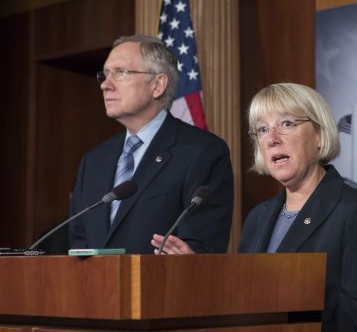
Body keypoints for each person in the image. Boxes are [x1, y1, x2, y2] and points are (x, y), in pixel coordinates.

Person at [239, 83, 357, 332]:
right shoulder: (257, 218)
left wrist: (288, 292)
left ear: (319, 136)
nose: (272, 138)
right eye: (262, 129)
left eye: (286, 123)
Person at [68, 35, 233, 254]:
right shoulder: (93, 161)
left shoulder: (203, 152)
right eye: (105, 74)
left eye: (121, 72)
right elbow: (78, 244)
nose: (105, 85)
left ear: (157, 85)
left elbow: (201, 247)